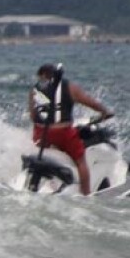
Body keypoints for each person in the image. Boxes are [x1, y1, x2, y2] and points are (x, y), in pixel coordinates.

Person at [28, 63, 115, 196]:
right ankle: (86, 194)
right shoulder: (69, 87)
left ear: (42, 75)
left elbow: (33, 116)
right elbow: (90, 102)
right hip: (63, 133)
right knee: (81, 160)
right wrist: (104, 112)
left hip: (41, 135)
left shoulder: (35, 89)